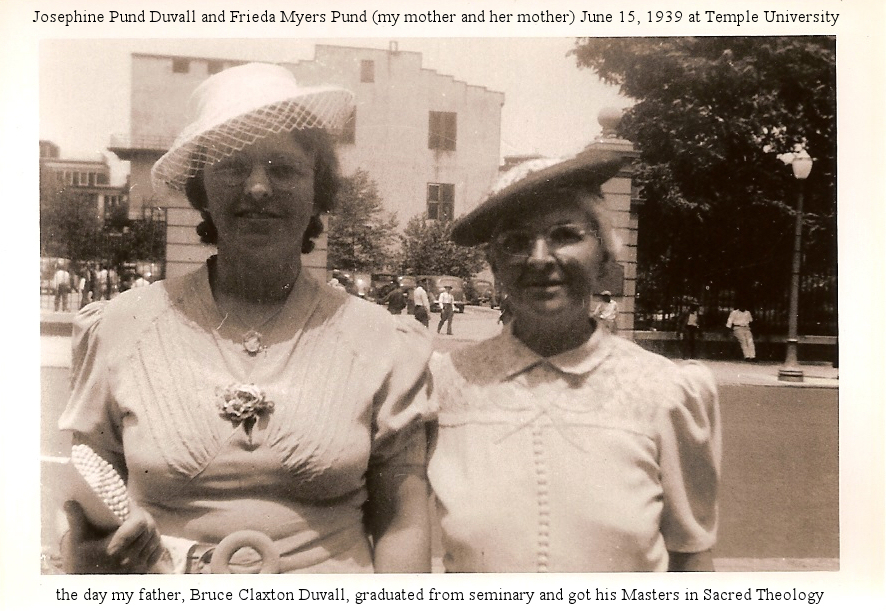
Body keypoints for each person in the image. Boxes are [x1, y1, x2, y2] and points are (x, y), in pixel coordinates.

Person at [58, 63, 433, 574]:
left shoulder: (382, 340)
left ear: (316, 188)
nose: (258, 188)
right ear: (202, 189)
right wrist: (91, 557)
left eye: (284, 168)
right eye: (233, 166)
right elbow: (84, 515)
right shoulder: (121, 328)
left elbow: (401, 526)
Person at [427, 150, 721, 572]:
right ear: (494, 265)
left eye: (565, 234)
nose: (541, 258)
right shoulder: (446, 384)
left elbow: (691, 558)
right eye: (516, 242)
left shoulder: (667, 391)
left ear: (604, 256)